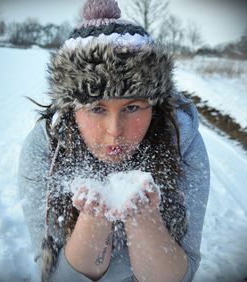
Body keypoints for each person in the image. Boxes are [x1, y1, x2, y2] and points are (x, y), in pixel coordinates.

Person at [18, 0, 210, 281]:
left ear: (154, 105)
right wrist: (94, 221)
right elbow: (54, 275)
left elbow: (182, 273)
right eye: (97, 108)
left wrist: (143, 217)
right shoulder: (45, 147)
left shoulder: (180, 138)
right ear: (73, 108)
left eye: (132, 107)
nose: (114, 131)